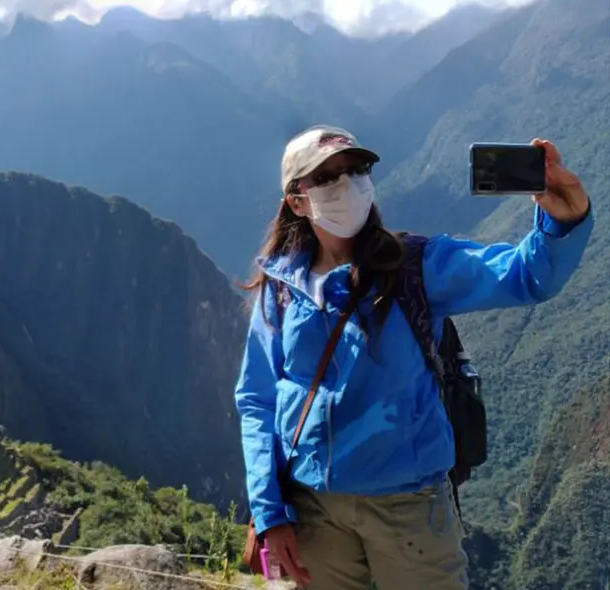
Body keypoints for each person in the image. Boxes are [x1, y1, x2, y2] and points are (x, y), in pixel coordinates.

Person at [233, 125, 593, 589]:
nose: (347, 184)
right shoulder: (280, 291)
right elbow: (257, 401)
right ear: (296, 201)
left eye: (356, 169)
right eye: (326, 176)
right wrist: (269, 513)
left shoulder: (415, 267)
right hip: (314, 511)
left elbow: (524, 276)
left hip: (409, 509)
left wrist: (563, 221)